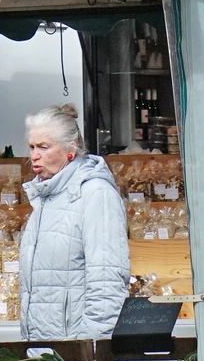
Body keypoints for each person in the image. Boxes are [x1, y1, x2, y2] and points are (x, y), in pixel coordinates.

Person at [16, 103, 130, 340]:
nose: (34, 156)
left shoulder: (95, 194)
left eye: (44, 147)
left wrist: (90, 351)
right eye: (32, 147)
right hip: (45, 354)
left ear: (70, 149)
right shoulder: (46, 197)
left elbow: (107, 283)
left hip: (76, 358)